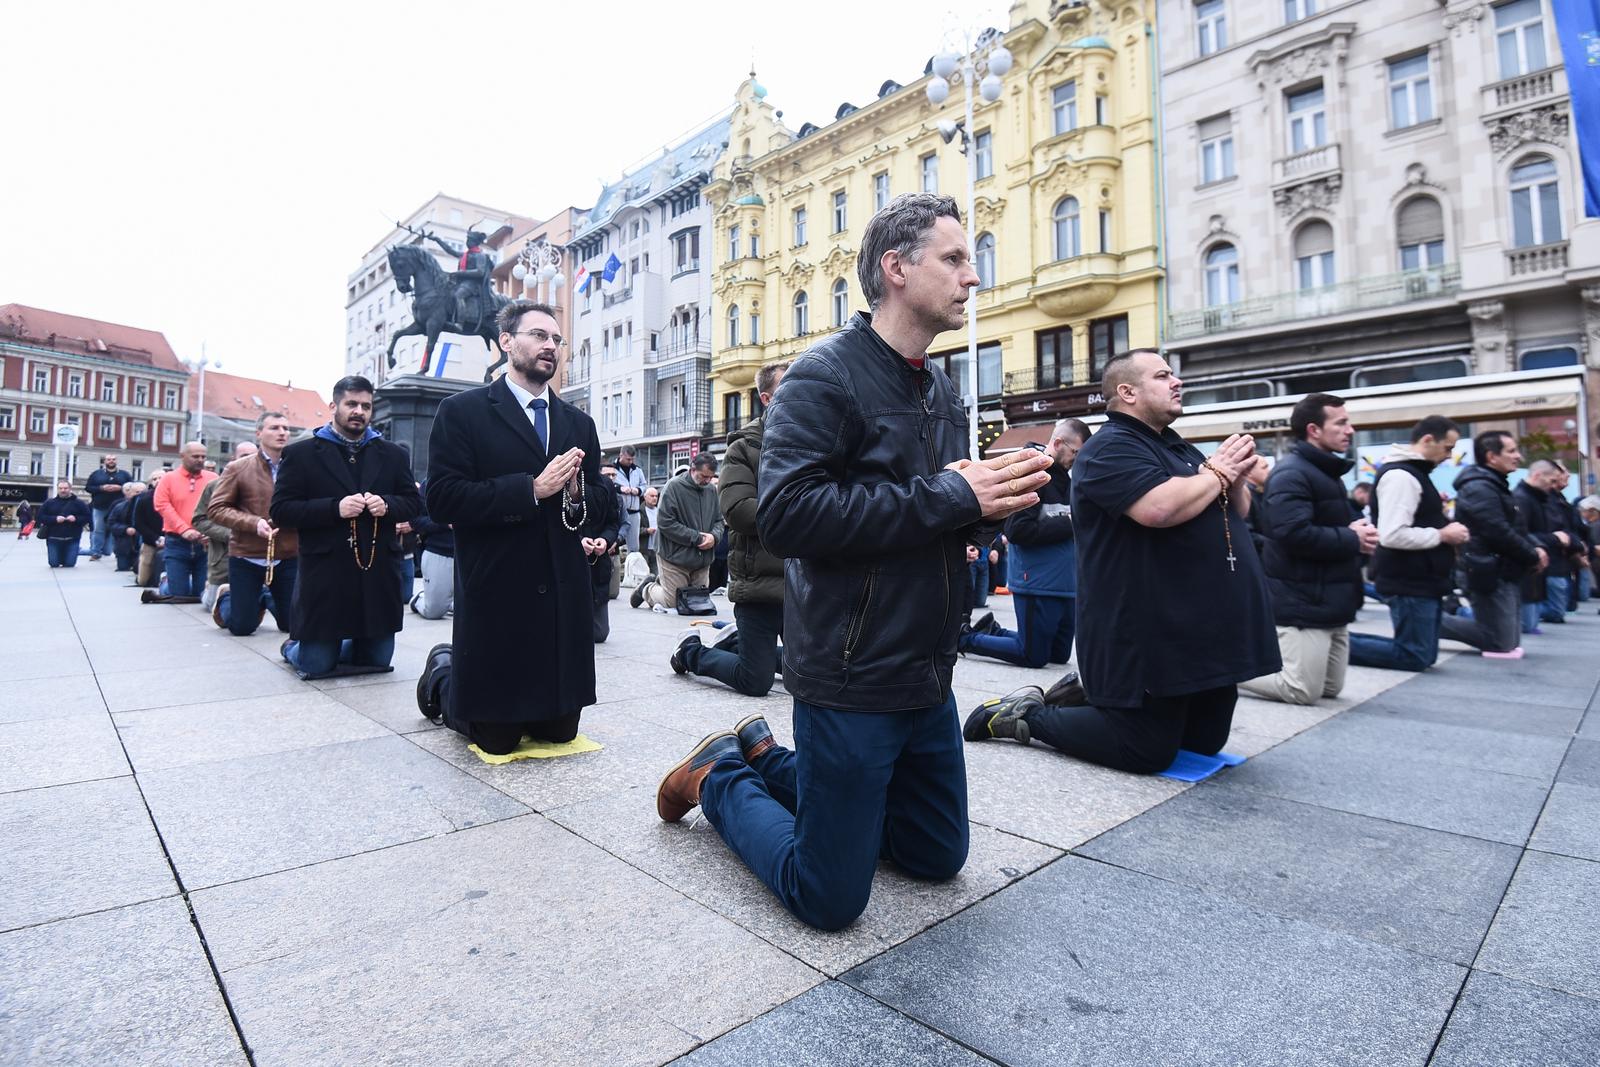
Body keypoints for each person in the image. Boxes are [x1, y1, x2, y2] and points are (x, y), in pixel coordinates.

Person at [655, 193, 1052, 930]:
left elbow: (931, 510)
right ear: (896, 269)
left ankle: (775, 759)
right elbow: (787, 515)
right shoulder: (822, 376)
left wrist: (990, 510)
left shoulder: (937, 383)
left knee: (935, 857)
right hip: (851, 666)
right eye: (956, 259)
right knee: (828, 897)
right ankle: (720, 775)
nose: (973, 277)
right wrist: (950, 494)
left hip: (927, 665)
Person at [962, 349, 1278, 774]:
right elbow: (1157, 509)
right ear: (1127, 392)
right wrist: (1216, 474)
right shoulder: (1110, 447)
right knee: (1144, 751)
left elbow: (1231, 511)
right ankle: (1026, 716)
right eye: (1163, 375)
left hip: (1200, 630)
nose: (1176, 381)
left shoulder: (1179, 448)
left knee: (1204, 741)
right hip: (1146, 628)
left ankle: (1088, 695)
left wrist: (1233, 479)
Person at [416, 300, 608, 754]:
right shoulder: (463, 411)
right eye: (539, 335)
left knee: (559, 733)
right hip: (500, 588)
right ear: (506, 342)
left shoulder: (578, 423)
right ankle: (444, 675)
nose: (551, 346)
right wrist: (530, 490)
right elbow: (443, 497)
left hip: (561, 594)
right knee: (496, 740)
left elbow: (601, 502)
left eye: (557, 339)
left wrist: (578, 495)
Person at [271, 376, 420, 678]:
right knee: (316, 666)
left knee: (377, 663)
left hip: (376, 573)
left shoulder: (393, 454)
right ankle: (293, 648)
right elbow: (281, 511)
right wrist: (333, 508)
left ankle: (342, 644)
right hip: (326, 575)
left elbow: (414, 504)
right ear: (333, 406)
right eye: (351, 404)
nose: (359, 411)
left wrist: (388, 505)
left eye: (366, 406)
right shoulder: (301, 454)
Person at [1238, 394, 1376, 705]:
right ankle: (1223, 672)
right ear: (1314, 429)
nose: (1350, 430)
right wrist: (1352, 537)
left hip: (1331, 598)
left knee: (1330, 688)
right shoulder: (1292, 473)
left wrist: (1358, 533)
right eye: (1341, 423)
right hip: (1303, 601)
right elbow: (1292, 534)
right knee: (1300, 690)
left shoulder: (1326, 473)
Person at [670, 360, 790, 694]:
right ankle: (691, 651)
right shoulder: (743, 447)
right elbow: (738, 511)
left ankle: (740, 643)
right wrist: (799, 512)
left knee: (810, 681)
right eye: (788, 386)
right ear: (766, 398)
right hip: (758, 584)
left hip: (800, 585)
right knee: (755, 681)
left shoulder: (811, 442)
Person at [958, 418, 1088, 669]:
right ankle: (966, 639)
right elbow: (1017, 530)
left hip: (1066, 584)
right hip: (1037, 581)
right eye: (1076, 452)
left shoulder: (1070, 482)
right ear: (1058, 443)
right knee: (1033, 656)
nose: (1078, 459)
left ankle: (992, 631)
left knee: (1058, 656)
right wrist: (1072, 522)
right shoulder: (1031, 475)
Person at [1346, 417, 1473, 671]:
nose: (1449, 455)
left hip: (1420, 577)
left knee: (1422, 654)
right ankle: (1332, 646)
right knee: (1414, 655)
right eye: (1448, 447)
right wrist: (1443, 534)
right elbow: (1392, 534)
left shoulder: (1412, 473)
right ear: (1428, 440)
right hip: (1409, 578)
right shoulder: (1402, 475)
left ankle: (1335, 645)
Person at [1449, 432, 1545, 658]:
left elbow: (1515, 529)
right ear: (1492, 456)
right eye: (1511, 451)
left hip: (1503, 568)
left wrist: (1535, 549)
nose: (1518, 456)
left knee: (1510, 641)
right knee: (1500, 642)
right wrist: (1532, 555)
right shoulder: (1479, 487)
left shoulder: (1495, 485)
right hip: (1488, 569)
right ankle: (1430, 621)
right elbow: (1497, 531)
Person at [208, 413, 298, 636]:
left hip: (287, 554)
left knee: (292, 625)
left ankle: (265, 595)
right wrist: (253, 523)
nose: (282, 432)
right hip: (247, 554)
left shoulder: (298, 466)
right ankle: (228, 596)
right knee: (242, 627)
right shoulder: (238, 467)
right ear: (259, 433)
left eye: (286, 428)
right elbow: (216, 508)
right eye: (274, 427)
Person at [631, 453, 723, 613]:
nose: (707, 481)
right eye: (703, 476)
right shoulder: (673, 487)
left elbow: (719, 520)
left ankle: (663, 583)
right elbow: (665, 522)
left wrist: (714, 537)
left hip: (702, 558)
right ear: (692, 469)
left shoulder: (711, 491)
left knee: (697, 601)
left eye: (711, 477)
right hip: (674, 556)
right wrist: (697, 537)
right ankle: (648, 588)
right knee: (673, 602)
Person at [152, 442, 217, 598]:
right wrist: (184, 529)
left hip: (206, 543)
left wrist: (213, 530)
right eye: (195, 456)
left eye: (203, 456)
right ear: (183, 456)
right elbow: (161, 505)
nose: (200, 460)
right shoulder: (168, 479)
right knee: (179, 595)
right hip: (177, 542)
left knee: (200, 594)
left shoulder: (214, 479)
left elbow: (221, 506)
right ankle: (165, 584)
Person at [1513, 460, 1573, 630]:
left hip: (1538, 564)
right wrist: (1554, 539)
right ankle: (1462, 612)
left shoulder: (1538, 499)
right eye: (1552, 481)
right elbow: (1521, 533)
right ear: (1538, 475)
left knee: (1528, 622)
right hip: (1528, 564)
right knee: (1526, 622)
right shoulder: (1523, 499)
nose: (1554, 485)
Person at [193, 444, 249, 612]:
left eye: (254, 455)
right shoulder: (215, 486)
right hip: (223, 559)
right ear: (234, 459)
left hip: (257, 559)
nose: (250, 460)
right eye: (244, 455)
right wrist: (229, 534)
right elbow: (199, 519)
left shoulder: (271, 484)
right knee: (213, 606)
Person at [585, 465, 623, 643]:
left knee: (599, 634)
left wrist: (605, 540)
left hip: (598, 559)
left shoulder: (606, 486)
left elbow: (613, 522)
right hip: (570, 559)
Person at [408, 477, 455, 620]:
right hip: (439, 552)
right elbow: (415, 521)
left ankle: (450, 602)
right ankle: (419, 599)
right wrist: (445, 523)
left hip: (472, 553)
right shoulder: (430, 483)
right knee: (433, 612)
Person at [84, 454, 131, 560]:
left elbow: (131, 487)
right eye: (109, 459)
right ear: (104, 461)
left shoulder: (124, 474)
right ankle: (96, 552)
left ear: (116, 461)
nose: (111, 461)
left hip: (119, 508)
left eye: (113, 459)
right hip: (100, 507)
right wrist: (101, 488)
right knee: (98, 530)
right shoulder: (96, 474)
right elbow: (88, 487)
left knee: (117, 529)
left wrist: (120, 488)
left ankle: (119, 552)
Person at [38, 481, 91, 568]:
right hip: (53, 538)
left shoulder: (79, 503)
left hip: (73, 538)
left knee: (70, 564)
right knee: (53, 564)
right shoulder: (49, 503)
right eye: (60, 488)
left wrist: (76, 519)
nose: (63, 490)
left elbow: (87, 517)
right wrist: (54, 519)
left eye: (65, 488)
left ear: (70, 489)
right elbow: (40, 517)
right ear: (57, 489)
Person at [132, 473, 166, 587]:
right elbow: (138, 523)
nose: (158, 481)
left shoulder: (175, 496)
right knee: (143, 581)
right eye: (154, 479)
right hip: (150, 540)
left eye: (160, 478)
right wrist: (156, 538)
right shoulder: (144, 499)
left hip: (171, 539)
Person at [614, 445, 648, 551]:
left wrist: (638, 490)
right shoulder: (612, 469)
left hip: (634, 512)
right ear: (621, 455)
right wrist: (620, 489)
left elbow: (644, 486)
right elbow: (607, 484)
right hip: (617, 512)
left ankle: (633, 566)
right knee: (614, 542)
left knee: (634, 547)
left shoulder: (637, 470)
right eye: (628, 459)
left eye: (632, 459)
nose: (631, 462)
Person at [108, 482, 142, 572]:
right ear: (129, 493)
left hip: (141, 545)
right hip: (124, 545)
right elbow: (111, 523)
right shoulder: (119, 507)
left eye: (142, 492)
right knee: (123, 568)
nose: (139, 495)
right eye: (137, 492)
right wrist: (125, 529)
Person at [639, 486, 660, 574]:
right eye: (652, 496)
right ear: (645, 497)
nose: (654, 498)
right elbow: (634, 530)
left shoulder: (660, 511)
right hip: (644, 549)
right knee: (644, 576)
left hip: (657, 549)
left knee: (656, 575)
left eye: (656, 496)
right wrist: (646, 530)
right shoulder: (639, 511)